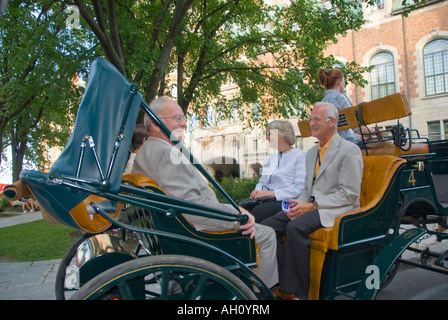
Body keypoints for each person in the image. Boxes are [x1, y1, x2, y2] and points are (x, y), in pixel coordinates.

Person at [132, 97, 279, 289]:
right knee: (267, 235)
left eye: (183, 118)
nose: (184, 123)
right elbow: (192, 207)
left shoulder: (148, 151)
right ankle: (258, 294)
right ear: (155, 123)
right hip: (195, 234)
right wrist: (236, 215)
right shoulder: (165, 153)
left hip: (173, 230)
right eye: (177, 118)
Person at [262, 102, 363, 300]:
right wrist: (296, 204)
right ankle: (282, 281)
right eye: (311, 119)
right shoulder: (311, 153)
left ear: (332, 122)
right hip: (310, 206)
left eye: (316, 119)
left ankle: (297, 293)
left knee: (295, 227)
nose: (311, 123)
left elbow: (350, 194)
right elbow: (306, 189)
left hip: (336, 208)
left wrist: (312, 205)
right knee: (268, 227)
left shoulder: (349, 151)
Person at [248, 120, 306, 223]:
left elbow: (299, 188)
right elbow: (262, 182)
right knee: (242, 209)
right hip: (267, 200)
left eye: (270, 134)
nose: (267, 137)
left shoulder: (299, 155)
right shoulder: (271, 159)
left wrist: (272, 194)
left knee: (258, 212)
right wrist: (257, 191)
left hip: (288, 202)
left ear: (282, 134)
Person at [318, 68, 363, 147]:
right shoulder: (340, 97)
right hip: (347, 143)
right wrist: (375, 131)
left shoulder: (321, 103)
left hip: (330, 145)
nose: (344, 84)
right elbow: (356, 127)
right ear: (339, 80)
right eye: (344, 81)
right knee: (385, 143)